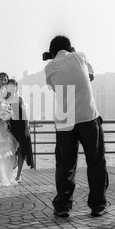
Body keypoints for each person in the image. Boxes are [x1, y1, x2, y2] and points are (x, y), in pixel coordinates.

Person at [44, 35, 109, 218]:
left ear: (52, 52)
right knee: (95, 162)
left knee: (65, 165)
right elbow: (90, 76)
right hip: (87, 116)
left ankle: (62, 206)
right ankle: (98, 205)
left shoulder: (49, 67)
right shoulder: (80, 56)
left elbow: (56, 88)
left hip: (65, 120)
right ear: (70, 48)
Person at [5, 78, 35, 182]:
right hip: (11, 128)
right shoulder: (4, 100)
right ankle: (9, 173)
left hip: (22, 127)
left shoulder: (19, 99)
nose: (11, 88)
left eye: (13, 86)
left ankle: (18, 174)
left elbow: (25, 115)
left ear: (16, 88)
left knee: (21, 151)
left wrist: (27, 128)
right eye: (9, 86)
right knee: (11, 151)